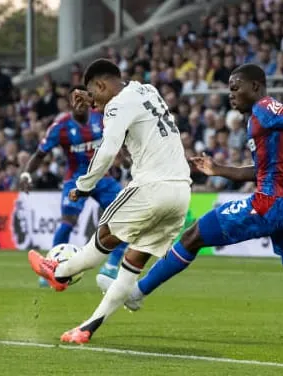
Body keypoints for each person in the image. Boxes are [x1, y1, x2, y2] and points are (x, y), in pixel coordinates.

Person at [122, 64, 283, 339]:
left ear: (255, 87)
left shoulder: (265, 109)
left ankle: (138, 293)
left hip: (273, 203)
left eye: (236, 88)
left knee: (194, 235)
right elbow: (260, 171)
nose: (231, 95)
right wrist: (219, 169)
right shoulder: (262, 126)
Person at [27, 59, 192, 344]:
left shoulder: (117, 104)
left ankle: (61, 272)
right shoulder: (148, 90)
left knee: (104, 236)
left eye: (95, 96)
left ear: (102, 85)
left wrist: (83, 185)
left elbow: (106, 151)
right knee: (132, 262)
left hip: (151, 186)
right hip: (181, 193)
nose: (95, 108)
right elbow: (122, 107)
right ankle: (87, 328)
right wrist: (91, 97)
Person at [19, 85, 127, 290]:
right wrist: (26, 173)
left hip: (102, 177)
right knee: (68, 221)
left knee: (125, 215)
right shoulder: (60, 127)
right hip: (76, 180)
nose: (78, 102)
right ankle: (49, 268)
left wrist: (126, 158)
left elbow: (119, 138)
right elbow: (40, 154)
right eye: (74, 98)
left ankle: (112, 266)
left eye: (81, 97)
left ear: (88, 99)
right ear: (70, 102)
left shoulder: (101, 117)